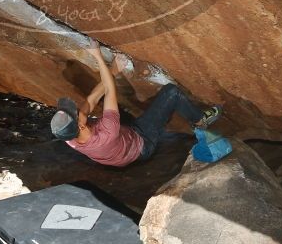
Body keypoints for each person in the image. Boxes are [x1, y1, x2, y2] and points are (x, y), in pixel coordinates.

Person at [50, 40, 222, 167]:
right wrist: (97, 56)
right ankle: (200, 120)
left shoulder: (68, 135)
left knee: (106, 108)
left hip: (121, 147)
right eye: (75, 112)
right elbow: (110, 90)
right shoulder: (107, 133)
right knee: (172, 93)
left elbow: (91, 99)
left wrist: (116, 69)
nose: (77, 109)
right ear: (80, 126)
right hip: (142, 143)